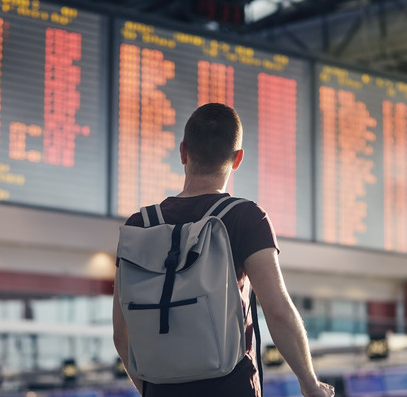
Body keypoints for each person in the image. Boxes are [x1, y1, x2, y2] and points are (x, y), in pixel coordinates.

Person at [112, 103, 335, 397]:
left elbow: (121, 332)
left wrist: (151, 389)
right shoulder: (245, 217)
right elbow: (278, 312)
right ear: (237, 158)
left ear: (183, 152)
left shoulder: (139, 225)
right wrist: (310, 384)